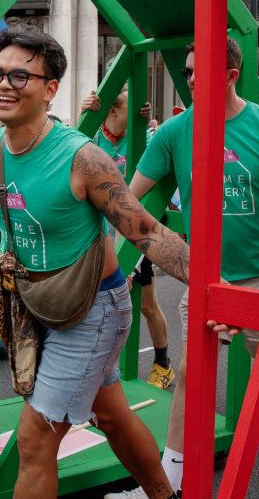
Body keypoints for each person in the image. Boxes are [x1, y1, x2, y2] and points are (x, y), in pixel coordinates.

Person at [0, 30, 190, 499]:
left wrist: (216, 284)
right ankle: (166, 496)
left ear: (50, 88)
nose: (3, 84)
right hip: (38, 305)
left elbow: (144, 230)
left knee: (34, 437)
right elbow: (11, 225)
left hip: (92, 312)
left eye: (20, 75)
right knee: (111, 415)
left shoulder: (83, 158)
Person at [110, 40, 259, 499]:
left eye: (201, 71)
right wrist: (112, 249)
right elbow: (127, 196)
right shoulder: (174, 132)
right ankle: (170, 480)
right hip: (207, 277)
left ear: (232, 75)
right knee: (191, 374)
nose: (190, 78)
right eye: (188, 71)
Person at [78, 89, 173, 391]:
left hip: (132, 232)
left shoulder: (140, 137)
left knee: (146, 305)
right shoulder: (94, 139)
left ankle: (163, 364)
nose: (138, 111)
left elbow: (161, 154)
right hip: (97, 235)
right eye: (130, 107)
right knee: (97, 304)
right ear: (112, 111)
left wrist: (144, 125)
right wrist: (86, 115)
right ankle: (102, 374)